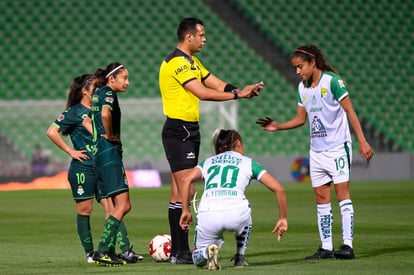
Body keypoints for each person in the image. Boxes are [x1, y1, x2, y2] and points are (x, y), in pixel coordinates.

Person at [159, 17, 264, 264]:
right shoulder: (177, 63)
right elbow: (202, 92)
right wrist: (237, 94)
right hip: (179, 129)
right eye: (201, 35)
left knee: (179, 190)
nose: (205, 39)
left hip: (188, 130)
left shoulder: (192, 62)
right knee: (187, 186)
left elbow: (213, 82)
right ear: (189, 37)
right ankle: (182, 251)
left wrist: (241, 91)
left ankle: (178, 251)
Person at [256, 45, 374, 260]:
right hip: (317, 151)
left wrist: (363, 141)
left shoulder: (333, 82)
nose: (297, 72)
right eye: (295, 68)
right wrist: (278, 126)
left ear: (312, 62)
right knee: (321, 198)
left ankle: (347, 245)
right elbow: (301, 119)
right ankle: (326, 247)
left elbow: (350, 111)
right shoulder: (303, 88)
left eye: (300, 66)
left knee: (342, 195)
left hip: (338, 147)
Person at [46, 74, 143, 265]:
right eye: (94, 87)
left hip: (100, 164)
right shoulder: (75, 112)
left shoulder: (98, 109)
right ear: (84, 91)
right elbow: (51, 131)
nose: (97, 89)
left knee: (115, 207)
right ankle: (90, 253)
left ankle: (121, 251)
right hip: (83, 167)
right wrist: (71, 151)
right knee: (85, 209)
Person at [179, 129, 288, 270]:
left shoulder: (207, 162)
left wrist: (185, 210)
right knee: (246, 208)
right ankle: (239, 257)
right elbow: (279, 189)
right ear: (237, 144)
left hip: (208, 214)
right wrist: (283, 218)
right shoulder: (248, 162)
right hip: (236, 214)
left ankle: (207, 254)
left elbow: (185, 180)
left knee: (197, 258)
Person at [90, 62, 134, 266]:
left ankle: (108, 251)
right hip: (109, 153)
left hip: (99, 154)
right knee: (124, 205)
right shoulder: (108, 92)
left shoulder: (97, 93)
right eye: (124, 78)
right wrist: (111, 135)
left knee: (116, 206)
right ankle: (101, 251)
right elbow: (106, 114)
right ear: (112, 78)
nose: (128, 82)